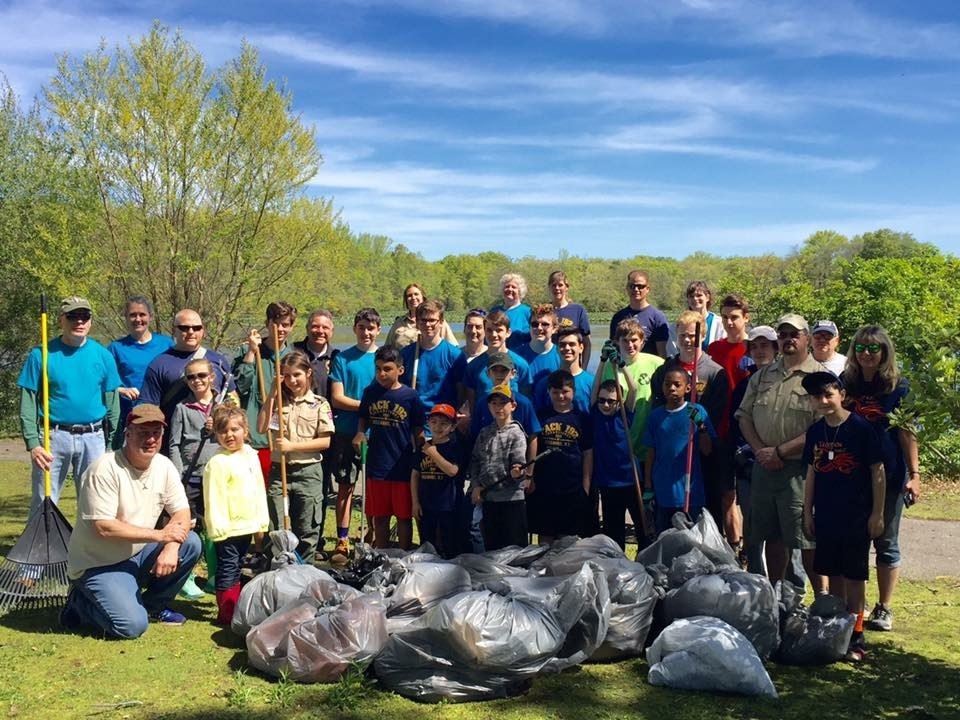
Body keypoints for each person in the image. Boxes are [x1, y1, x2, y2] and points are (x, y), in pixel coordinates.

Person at [60, 404, 201, 639]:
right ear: (127, 434)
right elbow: (104, 527)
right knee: (130, 627)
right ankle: (79, 603)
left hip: (137, 553)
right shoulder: (104, 469)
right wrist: (161, 536)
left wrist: (171, 546)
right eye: (143, 432)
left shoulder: (164, 465)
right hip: (98, 563)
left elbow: (182, 512)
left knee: (191, 543)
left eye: (156, 432)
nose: (151, 439)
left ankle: (153, 606)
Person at [735, 313, 826, 592]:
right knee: (770, 536)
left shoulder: (819, 378)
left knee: (805, 539)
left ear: (806, 339)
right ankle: (777, 594)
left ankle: (822, 599)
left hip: (799, 472)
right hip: (764, 468)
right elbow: (744, 416)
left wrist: (781, 451)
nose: (788, 339)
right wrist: (761, 451)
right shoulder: (762, 376)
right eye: (783, 335)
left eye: (794, 334)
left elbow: (822, 425)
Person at [801, 371, 885, 662]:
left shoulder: (860, 428)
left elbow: (877, 470)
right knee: (832, 572)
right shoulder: (815, 431)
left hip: (856, 514)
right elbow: (811, 471)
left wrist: (877, 513)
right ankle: (839, 630)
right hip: (825, 514)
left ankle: (857, 635)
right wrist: (806, 511)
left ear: (842, 394)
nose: (823, 401)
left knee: (854, 576)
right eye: (816, 397)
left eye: (828, 394)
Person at [842, 325, 921, 632]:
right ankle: (855, 607)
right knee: (855, 541)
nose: (866, 354)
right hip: (850, 474)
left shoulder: (898, 386)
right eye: (861, 348)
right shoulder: (846, 382)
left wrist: (915, 474)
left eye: (873, 348)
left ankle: (884, 607)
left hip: (890, 475)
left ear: (885, 351)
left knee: (886, 541)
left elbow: (907, 432)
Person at [18, 295, 121, 515]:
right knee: (43, 498)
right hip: (53, 437)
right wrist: (33, 443)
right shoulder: (41, 355)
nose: (79, 322)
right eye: (73, 316)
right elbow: (27, 401)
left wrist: (112, 444)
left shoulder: (103, 356)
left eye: (84, 316)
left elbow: (113, 404)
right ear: (61, 320)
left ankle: (89, 547)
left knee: (95, 500)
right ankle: (43, 548)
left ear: (91, 321)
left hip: (94, 438)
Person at [258, 350, 335, 561]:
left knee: (307, 527)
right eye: (287, 376)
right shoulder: (278, 403)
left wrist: (292, 446)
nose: (292, 381)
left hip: (308, 472)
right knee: (275, 525)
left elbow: (325, 441)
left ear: (308, 373)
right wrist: (272, 394)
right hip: (279, 471)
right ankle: (275, 572)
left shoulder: (319, 404)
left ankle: (304, 573)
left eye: (297, 375)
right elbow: (262, 426)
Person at [353, 345, 425, 550]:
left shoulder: (410, 396)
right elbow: (363, 419)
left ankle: (403, 557)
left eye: (387, 369)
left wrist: (421, 454)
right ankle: (382, 557)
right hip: (377, 465)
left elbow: (418, 431)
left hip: (402, 465)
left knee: (403, 518)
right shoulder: (370, 392)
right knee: (380, 517)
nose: (381, 374)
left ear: (400, 370)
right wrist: (360, 433)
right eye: (378, 369)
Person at [203, 405, 269, 625]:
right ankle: (226, 611)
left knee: (239, 564)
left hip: (247, 524)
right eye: (223, 431)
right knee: (228, 566)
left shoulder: (251, 455)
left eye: (234, 429)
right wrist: (218, 528)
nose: (229, 435)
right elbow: (214, 498)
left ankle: (237, 605)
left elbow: (258, 488)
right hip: (228, 527)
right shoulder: (218, 463)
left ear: (245, 430)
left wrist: (261, 520)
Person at [139, 308, 234, 448]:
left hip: (217, 443)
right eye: (184, 328)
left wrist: (224, 418)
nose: (191, 332)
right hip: (175, 444)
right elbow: (148, 408)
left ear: (203, 331)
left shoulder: (219, 361)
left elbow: (232, 397)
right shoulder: (159, 364)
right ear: (175, 330)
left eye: (196, 328)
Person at [167, 357, 221, 599]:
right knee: (187, 528)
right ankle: (185, 578)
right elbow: (174, 443)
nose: (197, 381)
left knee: (213, 528)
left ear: (211, 377)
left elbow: (236, 436)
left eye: (202, 375)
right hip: (190, 478)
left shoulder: (223, 404)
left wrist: (217, 427)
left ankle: (214, 576)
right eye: (191, 377)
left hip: (216, 476)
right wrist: (178, 476)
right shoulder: (182, 409)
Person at [329, 308, 381, 554]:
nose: (366, 332)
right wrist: (367, 407)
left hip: (378, 433)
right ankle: (343, 537)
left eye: (370, 328)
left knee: (373, 487)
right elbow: (337, 398)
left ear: (378, 330)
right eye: (361, 327)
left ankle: (372, 532)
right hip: (347, 431)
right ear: (354, 329)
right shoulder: (342, 359)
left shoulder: (383, 360)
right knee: (345, 485)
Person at [706, 294, 753, 551]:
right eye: (724, 317)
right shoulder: (714, 350)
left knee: (747, 497)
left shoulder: (755, 348)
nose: (729, 322)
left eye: (734, 317)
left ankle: (750, 545)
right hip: (721, 431)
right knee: (726, 495)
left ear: (746, 318)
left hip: (748, 434)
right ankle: (733, 547)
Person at [643, 367, 715, 533]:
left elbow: (707, 450)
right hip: (663, 491)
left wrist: (701, 426)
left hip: (690, 492)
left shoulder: (697, 411)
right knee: (665, 537)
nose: (672, 388)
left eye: (677, 384)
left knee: (690, 540)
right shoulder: (655, 416)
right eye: (668, 384)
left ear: (688, 388)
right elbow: (650, 453)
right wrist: (648, 486)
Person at [233, 301, 296, 485]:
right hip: (255, 438)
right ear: (267, 323)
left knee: (277, 492)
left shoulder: (293, 357)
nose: (280, 329)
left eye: (286, 324)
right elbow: (241, 387)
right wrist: (252, 352)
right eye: (275, 324)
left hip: (282, 437)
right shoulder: (250, 351)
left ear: (292, 326)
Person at [529, 370, 594, 543]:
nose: (560, 396)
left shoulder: (582, 418)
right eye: (555, 392)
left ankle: (565, 569)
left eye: (565, 392)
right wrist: (531, 476)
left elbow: (587, 453)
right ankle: (544, 568)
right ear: (548, 392)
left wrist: (586, 485)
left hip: (572, 486)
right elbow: (533, 447)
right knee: (545, 536)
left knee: (568, 538)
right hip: (545, 486)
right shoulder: (541, 415)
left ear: (573, 392)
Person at [468, 384, 529, 551]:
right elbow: (475, 461)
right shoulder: (484, 432)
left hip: (511, 501)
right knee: (491, 548)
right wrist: (476, 486)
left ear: (513, 406)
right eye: (494, 403)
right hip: (488, 500)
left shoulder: (516, 433)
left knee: (514, 552)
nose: (498, 407)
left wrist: (518, 473)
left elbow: (518, 467)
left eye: (503, 403)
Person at [590, 365, 643, 550]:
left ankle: (645, 561)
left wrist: (621, 366)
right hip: (607, 483)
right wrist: (603, 362)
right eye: (602, 400)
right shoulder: (595, 414)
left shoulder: (624, 414)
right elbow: (595, 387)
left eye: (610, 401)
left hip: (631, 480)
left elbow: (634, 388)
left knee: (642, 527)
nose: (605, 404)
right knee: (614, 531)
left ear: (618, 402)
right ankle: (618, 565)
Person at [108, 295, 174, 431]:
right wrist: (121, 390)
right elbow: (104, 381)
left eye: (142, 314)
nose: (138, 319)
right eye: (132, 315)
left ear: (150, 316)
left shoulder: (166, 344)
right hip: (129, 415)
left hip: (163, 413)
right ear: (126, 317)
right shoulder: (116, 348)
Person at [602, 319, 664, 456]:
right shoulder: (610, 366)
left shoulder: (657, 363)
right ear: (617, 341)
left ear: (642, 341)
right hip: (623, 437)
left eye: (634, 340)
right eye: (625, 340)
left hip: (649, 437)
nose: (630, 345)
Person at [411, 403, 464, 558]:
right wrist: (415, 502)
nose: (438, 427)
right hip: (426, 504)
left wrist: (433, 453)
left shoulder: (454, 446)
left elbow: (452, 470)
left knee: (447, 546)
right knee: (427, 544)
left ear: (453, 427)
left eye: (444, 423)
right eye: (434, 422)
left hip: (448, 505)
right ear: (428, 424)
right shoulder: (423, 447)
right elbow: (415, 475)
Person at [461, 310, 532, 412]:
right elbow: (472, 405)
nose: (494, 335)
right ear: (484, 331)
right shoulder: (473, 366)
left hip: (513, 424)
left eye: (499, 330)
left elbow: (527, 402)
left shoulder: (520, 364)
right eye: (489, 330)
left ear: (508, 333)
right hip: (484, 425)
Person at [400, 299, 462, 410]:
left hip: (443, 419)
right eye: (423, 320)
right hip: (415, 419)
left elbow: (462, 392)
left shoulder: (454, 355)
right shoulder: (406, 354)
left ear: (441, 322)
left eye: (432, 320)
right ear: (417, 323)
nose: (428, 324)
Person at [608, 270, 670, 357]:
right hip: (622, 368)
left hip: (650, 369)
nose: (636, 289)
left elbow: (662, 354)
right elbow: (614, 349)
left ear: (647, 289)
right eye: (632, 286)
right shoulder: (618, 317)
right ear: (627, 288)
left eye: (640, 286)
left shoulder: (657, 317)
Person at [532, 328, 594, 413]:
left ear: (581, 348)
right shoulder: (545, 383)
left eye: (572, 344)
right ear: (557, 349)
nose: (567, 348)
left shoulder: (592, 382)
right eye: (562, 345)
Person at [385, 283, 457, 350]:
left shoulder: (437, 321)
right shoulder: (398, 323)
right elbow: (387, 349)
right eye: (409, 296)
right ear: (406, 300)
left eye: (416, 294)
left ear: (423, 297)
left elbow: (453, 346)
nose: (413, 298)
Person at [666, 281, 726, 354]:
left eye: (699, 295)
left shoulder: (719, 323)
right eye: (691, 296)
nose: (695, 298)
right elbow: (672, 352)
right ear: (687, 299)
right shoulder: (678, 325)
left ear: (707, 297)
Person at [548, 270, 592, 367]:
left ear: (566, 287)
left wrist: (584, 367)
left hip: (573, 365)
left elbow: (587, 343)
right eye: (554, 285)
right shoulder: (546, 311)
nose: (557, 288)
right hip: (550, 364)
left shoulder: (578, 310)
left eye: (560, 285)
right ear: (549, 287)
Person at [293, 309, 339, 399]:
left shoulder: (337, 357)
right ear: (307, 328)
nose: (320, 331)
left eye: (325, 327)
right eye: (315, 326)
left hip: (327, 411)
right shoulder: (293, 352)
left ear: (331, 331)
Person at [515, 304, 562, 390]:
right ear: (529, 327)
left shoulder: (562, 355)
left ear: (555, 328)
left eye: (545, 324)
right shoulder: (516, 356)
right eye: (535, 324)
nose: (539, 328)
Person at [490, 273, 533, 350]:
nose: (510, 289)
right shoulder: (494, 311)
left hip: (521, 357)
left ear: (520, 291)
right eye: (507, 287)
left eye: (513, 287)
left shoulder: (528, 312)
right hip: (497, 356)